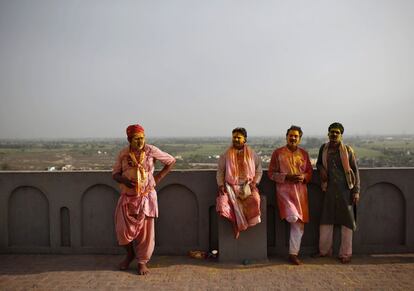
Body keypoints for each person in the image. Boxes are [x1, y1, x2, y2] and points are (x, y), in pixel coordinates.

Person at [112, 124, 175, 275]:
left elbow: (171, 161)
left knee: (145, 234)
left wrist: (158, 177)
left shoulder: (150, 150)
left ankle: (142, 262)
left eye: (142, 138)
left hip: (146, 197)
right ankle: (129, 254)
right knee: (122, 230)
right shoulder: (123, 154)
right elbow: (115, 174)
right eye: (136, 139)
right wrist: (124, 181)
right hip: (127, 198)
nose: (140, 142)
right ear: (129, 139)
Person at [314, 122, 360, 264]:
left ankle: (346, 253)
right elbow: (319, 163)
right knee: (326, 220)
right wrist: (321, 169)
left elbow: (355, 171)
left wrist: (356, 191)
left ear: (341, 135)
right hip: (328, 190)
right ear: (328, 134)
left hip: (345, 190)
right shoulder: (324, 148)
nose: (334, 135)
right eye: (332, 132)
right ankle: (324, 251)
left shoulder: (348, 151)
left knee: (347, 223)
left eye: (337, 132)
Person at [268, 125, 313, 265]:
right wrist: (286, 177)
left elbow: (310, 172)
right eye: (291, 135)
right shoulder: (278, 153)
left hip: (300, 193)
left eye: (296, 136)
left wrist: (304, 177)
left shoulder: (304, 154)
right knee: (293, 217)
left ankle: (293, 254)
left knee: (299, 224)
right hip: (284, 193)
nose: (293, 138)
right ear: (286, 136)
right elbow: (271, 173)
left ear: (300, 139)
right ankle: (293, 253)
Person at [216, 127, 263, 239]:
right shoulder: (226, 154)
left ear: (244, 139)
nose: (236, 139)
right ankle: (235, 225)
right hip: (230, 187)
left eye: (238, 137)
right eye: (234, 137)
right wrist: (221, 185)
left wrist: (254, 183)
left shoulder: (252, 154)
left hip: (248, 187)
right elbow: (220, 171)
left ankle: (243, 225)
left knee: (255, 200)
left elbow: (259, 170)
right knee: (223, 204)